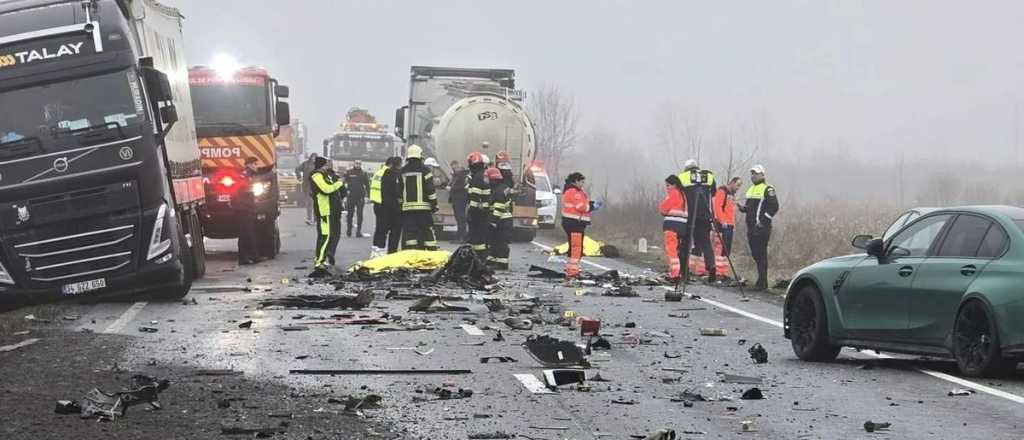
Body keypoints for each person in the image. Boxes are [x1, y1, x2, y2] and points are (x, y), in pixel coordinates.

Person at [737, 164, 779, 291]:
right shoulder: (750, 190)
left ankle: (762, 282)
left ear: (762, 175)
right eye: (752, 173)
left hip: (761, 228)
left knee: (761, 254)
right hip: (751, 227)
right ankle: (761, 280)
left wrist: (763, 221)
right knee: (755, 254)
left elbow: (774, 207)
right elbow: (751, 208)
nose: (753, 176)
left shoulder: (768, 189)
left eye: (756, 173)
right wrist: (743, 209)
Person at [678, 159, 717, 283]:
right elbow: (714, 192)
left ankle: (684, 273)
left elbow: (679, 196)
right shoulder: (708, 176)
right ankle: (711, 265)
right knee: (706, 242)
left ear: (686, 169)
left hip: (689, 216)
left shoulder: (682, 177)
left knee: (685, 244)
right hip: (705, 215)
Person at [310, 156, 345, 275]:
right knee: (325, 236)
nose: (327, 167)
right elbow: (326, 189)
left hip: (332, 210)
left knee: (330, 235)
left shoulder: (327, 175)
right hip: (324, 210)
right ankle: (319, 261)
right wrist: (339, 183)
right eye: (325, 165)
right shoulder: (316, 176)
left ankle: (323, 259)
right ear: (321, 165)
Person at [400, 145, 439, 250]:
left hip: (407, 210)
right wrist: (434, 204)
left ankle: (412, 254)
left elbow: (398, 190)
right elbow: (430, 190)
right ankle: (431, 254)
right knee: (427, 231)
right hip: (424, 209)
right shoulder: (425, 170)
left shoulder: (402, 171)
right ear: (420, 156)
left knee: (410, 233)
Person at [561, 172, 599, 280]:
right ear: (576, 181)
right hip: (574, 223)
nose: (583, 184)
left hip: (574, 222)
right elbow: (581, 206)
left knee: (574, 247)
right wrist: (592, 207)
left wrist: (591, 204)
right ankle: (573, 272)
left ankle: (572, 270)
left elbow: (582, 203)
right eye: (582, 181)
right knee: (576, 248)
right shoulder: (574, 191)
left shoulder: (572, 191)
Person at [370, 156, 404, 257]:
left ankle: (376, 251)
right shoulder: (392, 174)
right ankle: (389, 253)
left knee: (380, 229)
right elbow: (395, 191)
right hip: (388, 205)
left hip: (378, 203)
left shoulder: (379, 172)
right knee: (393, 230)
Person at [658, 175, 688, 282]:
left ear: (674, 185)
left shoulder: (673, 193)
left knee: (671, 250)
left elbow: (663, 208)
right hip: (682, 226)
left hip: (672, 225)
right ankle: (678, 272)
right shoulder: (684, 195)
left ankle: (674, 274)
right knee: (677, 250)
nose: (667, 188)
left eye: (668, 185)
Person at [486, 167, 513, 270]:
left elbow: (499, 206)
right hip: (503, 220)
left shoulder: (498, 191)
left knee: (501, 242)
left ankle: (502, 263)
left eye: (488, 179)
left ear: (493, 179)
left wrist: (493, 221)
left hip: (502, 221)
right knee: (494, 241)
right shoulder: (502, 187)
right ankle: (492, 260)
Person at [466, 152, 491, 259]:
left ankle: (478, 258)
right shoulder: (483, 176)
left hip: (477, 213)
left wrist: (471, 211)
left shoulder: (477, 178)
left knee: (477, 237)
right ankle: (479, 257)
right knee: (480, 236)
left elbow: (475, 197)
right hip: (483, 212)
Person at [236, 157, 261, 265]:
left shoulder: (249, 175)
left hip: (246, 207)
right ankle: (251, 257)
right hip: (244, 208)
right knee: (247, 233)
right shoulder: (245, 175)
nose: (257, 166)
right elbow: (243, 189)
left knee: (246, 233)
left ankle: (246, 257)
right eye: (255, 164)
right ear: (249, 165)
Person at [713, 177, 742, 256]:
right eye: (737, 185)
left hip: (730, 225)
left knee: (727, 252)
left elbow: (730, 210)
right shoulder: (722, 191)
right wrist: (723, 221)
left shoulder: (731, 195)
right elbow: (717, 207)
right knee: (720, 250)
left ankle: (723, 267)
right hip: (722, 225)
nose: (738, 188)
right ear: (732, 183)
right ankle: (718, 267)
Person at [344, 160, 370, 238]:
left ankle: (358, 231)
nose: (358, 165)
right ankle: (349, 230)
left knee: (360, 215)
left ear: (361, 165)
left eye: (359, 164)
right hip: (351, 196)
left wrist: (368, 196)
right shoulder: (349, 172)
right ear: (354, 164)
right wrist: (344, 195)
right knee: (350, 214)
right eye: (356, 163)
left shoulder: (364, 173)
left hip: (360, 197)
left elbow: (367, 185)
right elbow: (344, 183)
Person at [449, 160, 470, 242]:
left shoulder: (463, 175)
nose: (454, 169)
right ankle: (459, 235)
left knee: (461, 218)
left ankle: (463, 236)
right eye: (453, 168)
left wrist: (452, 188)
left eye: (455, 167)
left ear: (459, 166)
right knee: (458, 218)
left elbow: (463, 187)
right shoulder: (456, 175)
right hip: (456, 199)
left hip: (460, 199)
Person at [297, 153, 319, 225]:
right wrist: (299, 176)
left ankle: (316, 219)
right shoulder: (305, 164)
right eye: (313, 157)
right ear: (311, 157)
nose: (314, 159)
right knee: (310, 203)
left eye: (315, 158)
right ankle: (309, 219)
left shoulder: (319, 165)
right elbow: (297, 169)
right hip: (307, 186)